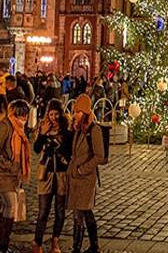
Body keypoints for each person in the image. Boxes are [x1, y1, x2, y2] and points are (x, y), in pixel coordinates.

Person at [0, 99, 32, 253]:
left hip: (14, 174)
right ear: (14, 113)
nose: (24, 117)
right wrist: (10, 165)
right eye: (21, 114)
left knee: (7, 207)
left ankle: (0, 245)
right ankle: (2, 246)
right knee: (11, 206)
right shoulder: (5, 126)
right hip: (3, 173)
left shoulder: (19, 128)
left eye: (26, 114)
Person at [67, 94, 107, 253]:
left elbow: (99, 155)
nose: (75, 115)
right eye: (74, 111)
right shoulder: (78, 129)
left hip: (86, 178)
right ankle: (87, 246)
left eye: (78, 112)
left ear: (85, 112)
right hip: (76, 177)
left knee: (82, 211)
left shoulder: (94, 130)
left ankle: (84, 247)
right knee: (82, 211)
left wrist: (83, 169)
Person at [32, 100, 73, 253]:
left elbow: (70, 152)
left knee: (60, 211)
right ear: (47, 115)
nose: (54, 117)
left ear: (61, 114)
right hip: (46, 173)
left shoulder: (67, 131)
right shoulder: (43, 128)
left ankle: (55, 242)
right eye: (51, 114)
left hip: (62, 174)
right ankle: (37, 242)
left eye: (56, 114)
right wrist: (42, 134)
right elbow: (36, 149)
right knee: (43, 211)